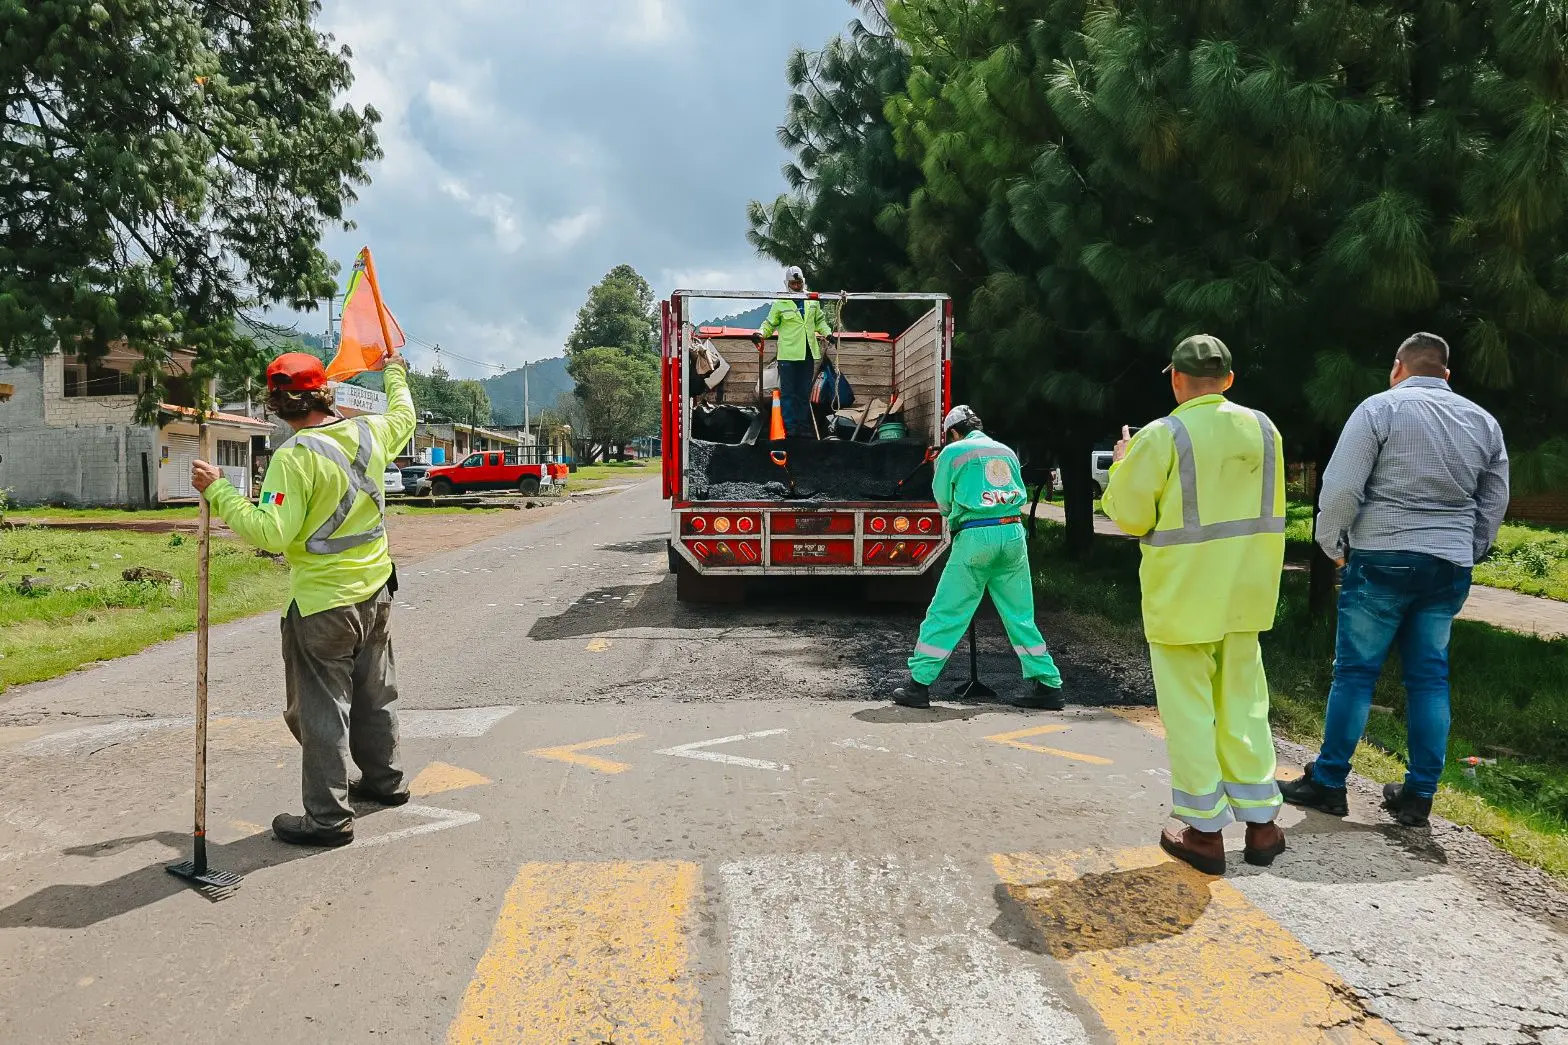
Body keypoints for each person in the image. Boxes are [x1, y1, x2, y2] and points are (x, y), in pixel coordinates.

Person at [190, 346, 417, 847]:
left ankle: (328, 819)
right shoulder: (370, 431)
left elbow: (271, 533)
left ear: (275, 405)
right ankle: (386, 783)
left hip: (322, 606)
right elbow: (404, 413)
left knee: (319, 712)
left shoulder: (292, 460)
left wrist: (220, 491)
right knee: (376, 695)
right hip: (377, 593)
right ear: (324, 392)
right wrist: (394, 370)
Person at [1282, 333, 1508, 828]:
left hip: (1383, 557)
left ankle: (1328, 783)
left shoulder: (1378, 410)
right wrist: (1468, 550)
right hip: (1447, 565)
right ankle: (1417, 797)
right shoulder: (1483, 422)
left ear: (1396, 368)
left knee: (1356, 673)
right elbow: (1493, 501)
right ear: (1446, 374)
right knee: (1429, 678)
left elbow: (1341, 487)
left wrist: (1332, 545)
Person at [1102, 335, 1287, 876]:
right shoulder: (1265, 428)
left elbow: (1131, 516)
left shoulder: (1164, 435)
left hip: (1183, 598)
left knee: (1189, 714)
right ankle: (1263, 825)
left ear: (1176, 380)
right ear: (1228, 379)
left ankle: (1205, 834)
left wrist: (1121, 464)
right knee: (1246, 706)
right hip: (1246, 594)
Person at [891, 405, 1065, 710]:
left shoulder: (954, 452)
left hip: (975, 537)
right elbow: (1017, 489)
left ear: (953, 432)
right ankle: (1048, 685)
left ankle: (918, 685)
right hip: (1012, 533)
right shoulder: (1007, 451)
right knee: (1019, 613)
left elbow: (943, 497)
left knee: (947, 611)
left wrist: (954, 514)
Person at [753, 265, 831, 437]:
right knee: (788, 393)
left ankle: (803, 427)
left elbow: (820, 321)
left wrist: (828, 333)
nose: (797, 286)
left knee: (803, 393)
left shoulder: (812, 300)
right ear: (787, 283)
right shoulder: (781, 302)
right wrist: (760, 334)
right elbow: (769, 323)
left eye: (799, 282)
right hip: (788, 355)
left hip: (808, 353)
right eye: (793, 283)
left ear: (803, 281)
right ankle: (790, 427)